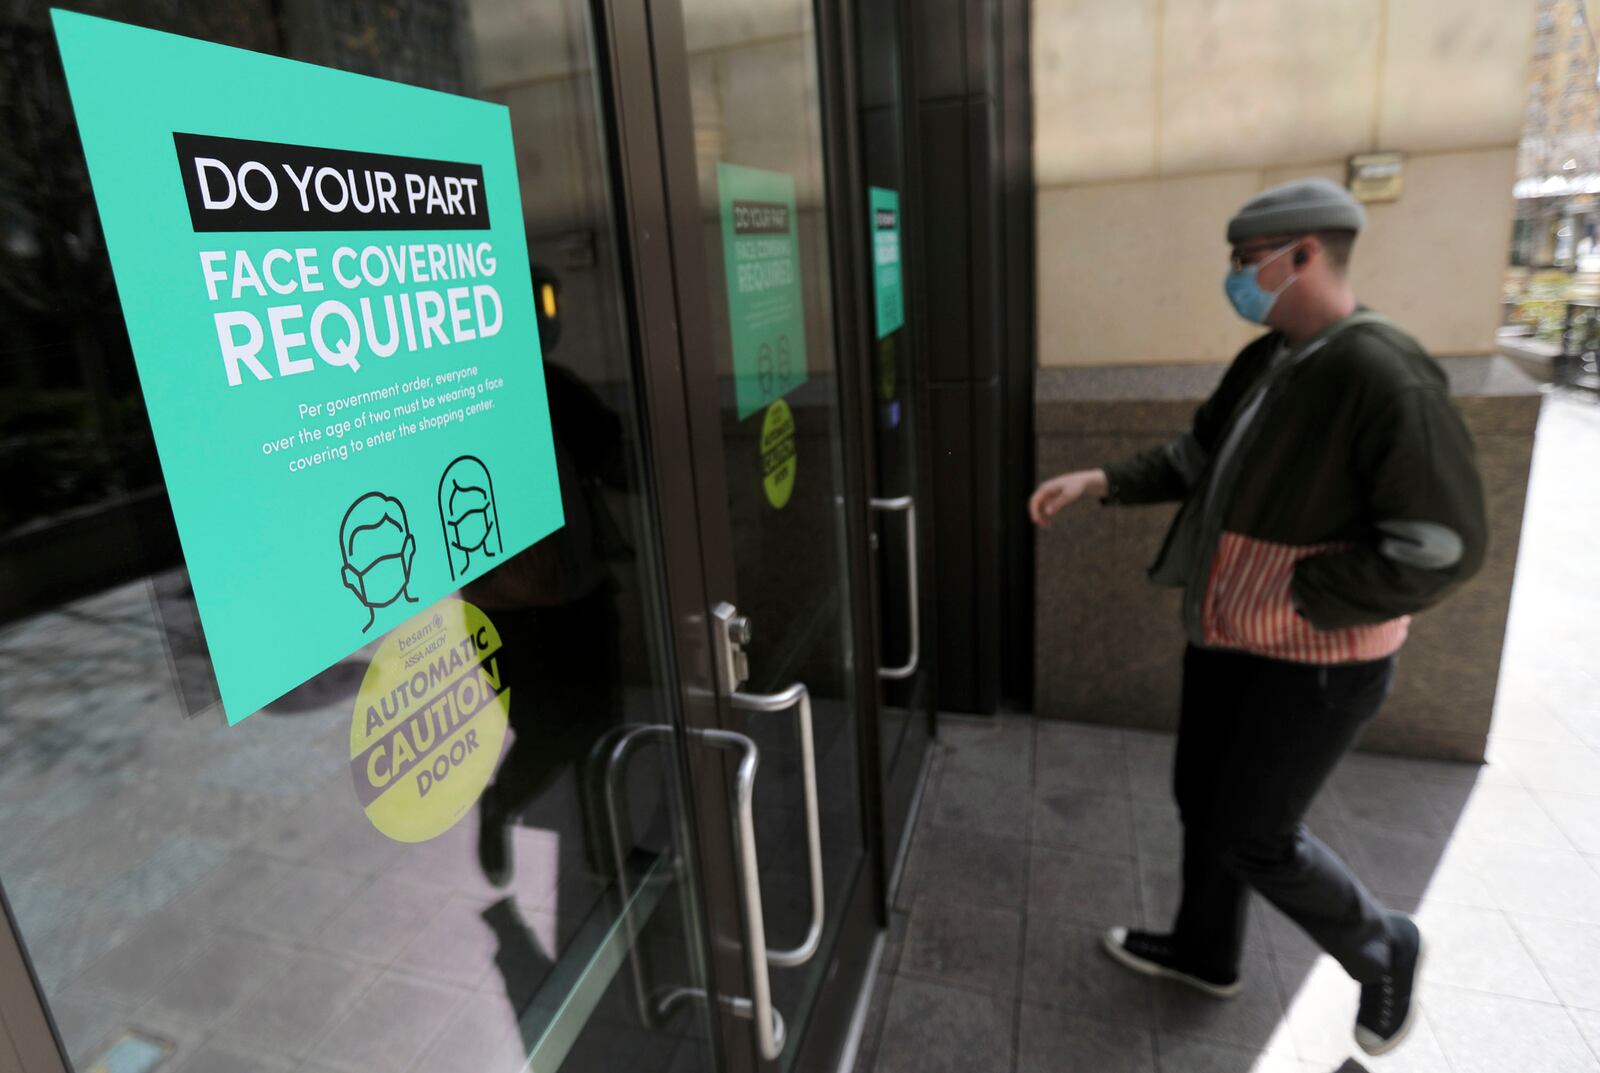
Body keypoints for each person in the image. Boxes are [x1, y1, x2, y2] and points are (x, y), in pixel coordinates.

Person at [1028, 178, 1487, 1057]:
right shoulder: (1271, 357)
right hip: (1229, 639)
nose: (1235, 277)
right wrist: (1101, 480)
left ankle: (1384, 944)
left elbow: (1442, 547)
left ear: (1304, 254)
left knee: (1254, 832)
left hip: (1315, 664)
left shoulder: (1382, 373)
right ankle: (1204, 952)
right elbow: (1198, 456)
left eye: (1247, 261)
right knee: (1203, 803)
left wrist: (1304, 592)